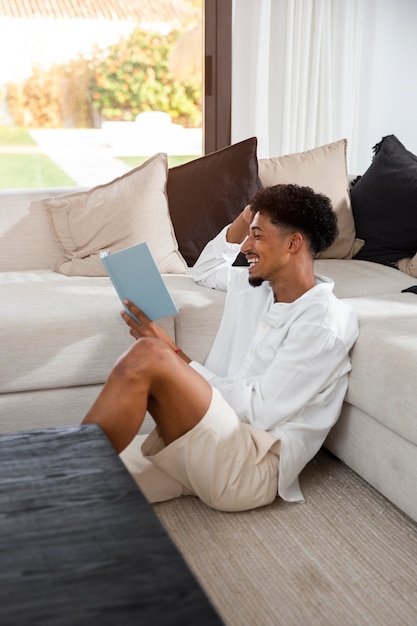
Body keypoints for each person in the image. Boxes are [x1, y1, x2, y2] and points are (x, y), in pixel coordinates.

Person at [82, 184, 359, 512]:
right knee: (75, 478)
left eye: (257, 235)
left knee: (150, 356)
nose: (245, 245)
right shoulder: (255, 289)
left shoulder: (323, 322)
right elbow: (205, 268)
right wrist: (248, 216)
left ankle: (49, 474)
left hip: (248, 468)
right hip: (211, 443)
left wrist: (175, 356)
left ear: (294, 243)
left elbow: (260, 411)